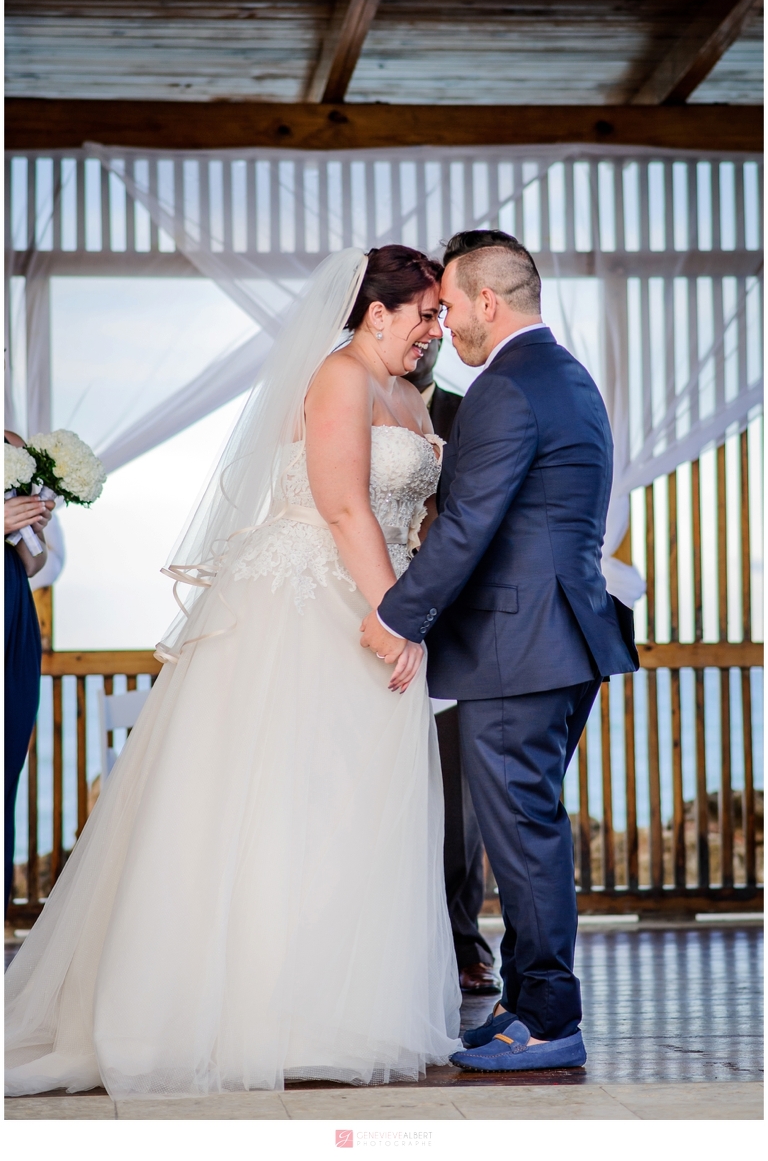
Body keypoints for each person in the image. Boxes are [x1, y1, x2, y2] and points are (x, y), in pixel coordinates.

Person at [5, 246, 462, 1098]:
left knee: (351, 807)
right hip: (307, 605)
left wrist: (415, 604)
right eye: (427, 312)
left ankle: (335, 1008)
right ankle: (251, 1014)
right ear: (377, 312)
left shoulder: (408, 392)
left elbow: (413, 513)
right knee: (282, 802)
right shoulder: (340, 377)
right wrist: (393, 618)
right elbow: (342, 506)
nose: (437, 328)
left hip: (377, 598)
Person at [362, 230, 638, 1073]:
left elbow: (469, 525)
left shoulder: (506, 388)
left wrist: (397, 616)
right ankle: (522, 1005)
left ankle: (549, 1019)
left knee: (522, 833)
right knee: (528, 826)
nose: (445, 323)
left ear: (488, 300)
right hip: (562, 634)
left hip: (520, 644)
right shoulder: (563, 375)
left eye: (450, 305)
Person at [404, 344, 498, 997]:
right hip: (363, 613)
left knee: (458, 804)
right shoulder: (345, 401)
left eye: (437, 319)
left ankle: (463, 942)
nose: (429, 336)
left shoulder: (469, 413)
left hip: (455, 625)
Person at [4, 432, 54, 915]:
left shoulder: (11, 444)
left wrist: (32, 524)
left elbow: (33, 563)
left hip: (13, 614)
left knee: (6, 774)